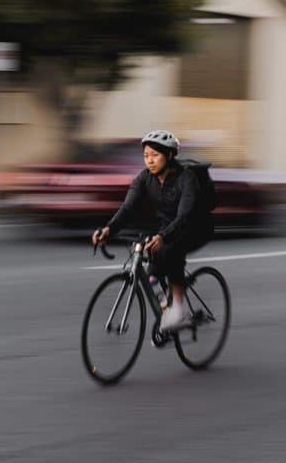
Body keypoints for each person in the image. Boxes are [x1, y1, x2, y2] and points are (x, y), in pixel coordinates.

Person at [91, 130, 213, 332]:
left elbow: (184, 216)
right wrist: (108, 230)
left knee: (171, 249)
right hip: (167, 225)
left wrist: (163, 237)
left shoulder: (186, 178)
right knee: (153, 263)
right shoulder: (144, 178)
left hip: (197, 226)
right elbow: (128, 208)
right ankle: (165, 304)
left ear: (170, 155)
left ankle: (178, 310)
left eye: (155, 155)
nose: (150, 161)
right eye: (146, 155)